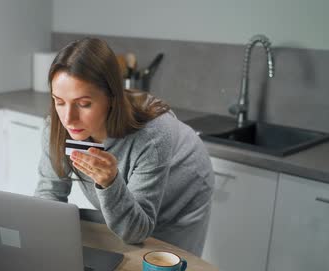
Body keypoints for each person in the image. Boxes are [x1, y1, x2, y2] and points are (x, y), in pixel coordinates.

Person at [34, 38, 214, 256]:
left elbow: (136, 231)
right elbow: (50, 193)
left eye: (83, 104)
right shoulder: (57, 126)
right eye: (59, 101)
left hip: (182, 192)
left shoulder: (153, 134)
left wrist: (110, 183)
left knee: (166, 269)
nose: (68, 118)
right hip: (132, 199)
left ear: (111, 98)